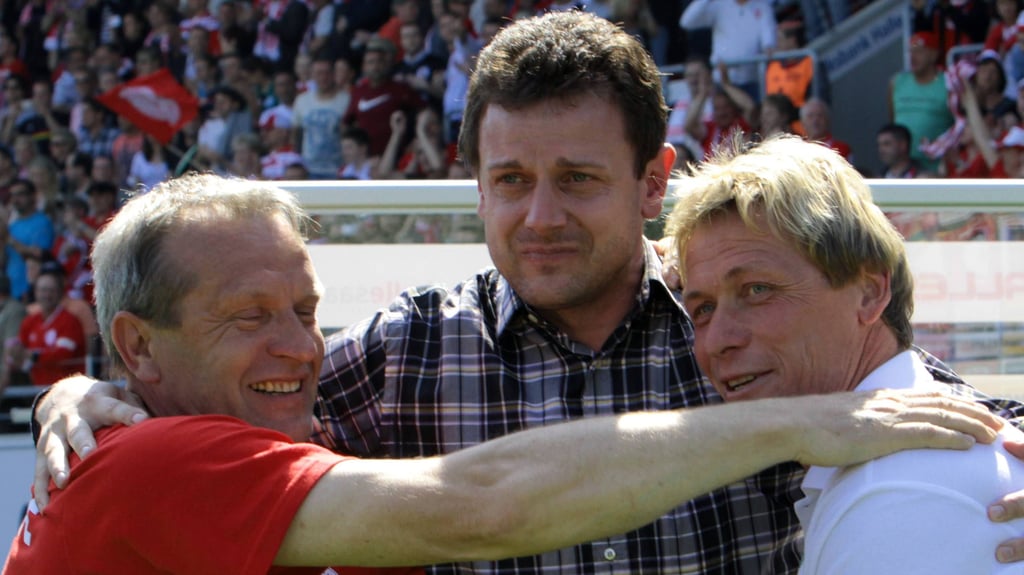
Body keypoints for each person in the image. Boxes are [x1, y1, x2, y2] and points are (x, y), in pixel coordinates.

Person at [28, 12, 1024, 573]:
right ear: (477, 186)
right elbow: (226, 417)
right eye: (509, 181)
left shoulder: (738, 329)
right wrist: (87, 395)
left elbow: (910, 403)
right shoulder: (399, 354)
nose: (538, 214)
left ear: (650, 180)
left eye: (578, 179)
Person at [7, 172, 1001, 574]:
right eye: (249, 317)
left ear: (643, 183)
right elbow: (483, 501)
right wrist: (814, 424)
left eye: (307, 311)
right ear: (137, 346)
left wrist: (983, 430)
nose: (301, 347)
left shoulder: (287, 423)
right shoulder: (157, 458)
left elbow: (875, 357)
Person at [667, 133, 1024, 573]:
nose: (717, 339)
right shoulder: (894, 469)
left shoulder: (897, 495)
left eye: (758, 290)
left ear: (869, 294)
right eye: (701, 309)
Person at [6, 265, 86, 387]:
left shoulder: (70, 321)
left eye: (51, 290)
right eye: (43, 290)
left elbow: (63, 355)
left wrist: (33, 355)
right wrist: (14, 353)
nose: (46, 295)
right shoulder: (29, 321)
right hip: (37, 390)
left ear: (60, 293)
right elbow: (18, 353)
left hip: (68, 390)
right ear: (36, 292)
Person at [889, 31, 953, 174]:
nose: (912, 58)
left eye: (919, 52)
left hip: (936, 168)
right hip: (902, 169)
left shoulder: (948, 83)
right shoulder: (897, 83)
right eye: (910, 52)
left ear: (934, 54)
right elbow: (892, 119)